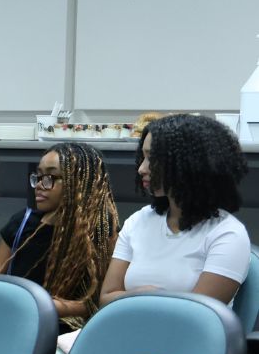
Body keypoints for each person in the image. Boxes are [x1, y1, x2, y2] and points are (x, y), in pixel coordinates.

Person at [100, 113, 251, 307]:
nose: (141, 169)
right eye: (143, 157)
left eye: (152, 158)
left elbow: (198, 314)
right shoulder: (139, 221)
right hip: (127, 323)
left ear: (189, 163)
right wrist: (139, 295)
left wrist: (140, 299)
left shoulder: (227, 234)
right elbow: (106, 299)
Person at [0, 142, 119, 334]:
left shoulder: (100, 230)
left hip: (68, 333)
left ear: (78, 182)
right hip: (14, 325)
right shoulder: (22, 222)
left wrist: (38, 304)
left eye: (50, 177)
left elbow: (96, 302)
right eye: (38, 176)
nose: (40, 185)